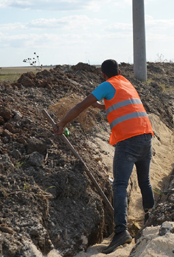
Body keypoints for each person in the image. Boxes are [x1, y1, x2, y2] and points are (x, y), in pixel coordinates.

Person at [53, 59, 154, 254]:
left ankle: (120, 231)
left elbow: (81, 106)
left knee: (120, 186)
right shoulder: (126, 83)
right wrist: (100, 107)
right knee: (144, 182)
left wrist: (62, 123)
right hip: (146, 136)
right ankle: (151, 220)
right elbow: (120, 105)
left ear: (102, 74)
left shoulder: (106, 85)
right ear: (119, 70)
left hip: (128, 141)